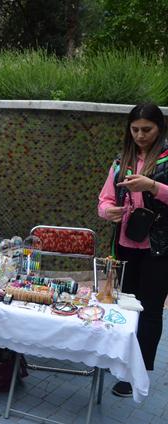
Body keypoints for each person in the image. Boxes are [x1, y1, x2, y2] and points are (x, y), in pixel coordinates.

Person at [98, 103, 168, 398]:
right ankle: (121, 362)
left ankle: (138, 373)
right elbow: (104, 199)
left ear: (160, 129)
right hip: (126, 244)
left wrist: (152, 186)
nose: (140, 135)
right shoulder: (121, 161)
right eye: (135, 129)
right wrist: (108, 212)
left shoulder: (166, 159)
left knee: (150, 309)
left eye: (147, 130)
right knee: (124, 307)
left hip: (159, 247)